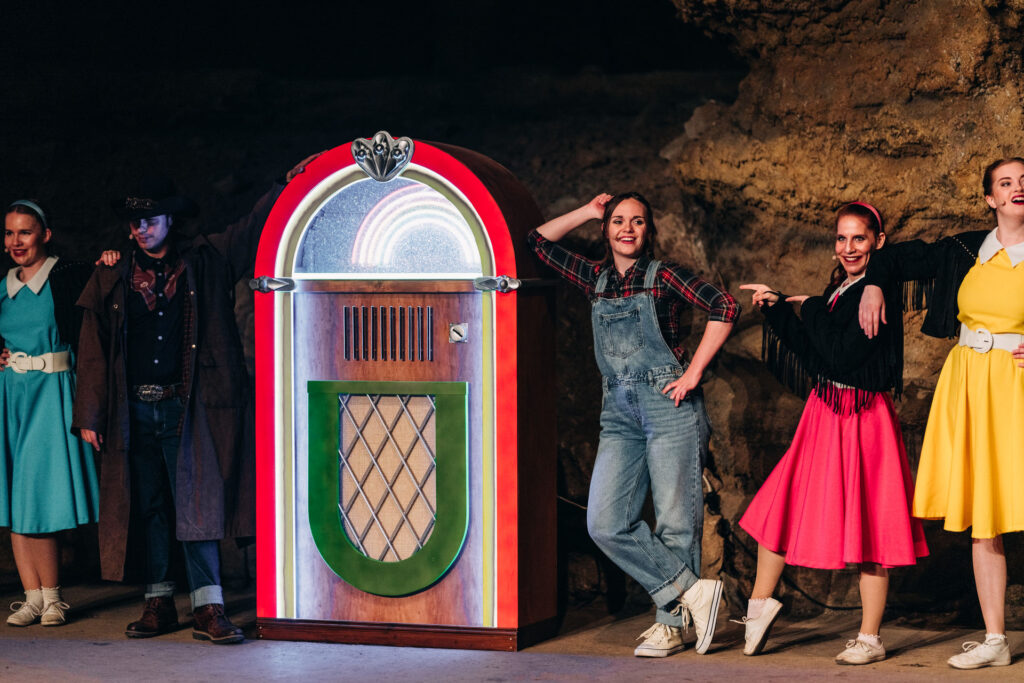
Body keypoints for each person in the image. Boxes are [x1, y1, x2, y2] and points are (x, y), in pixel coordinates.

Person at [72, 155, 316, 644]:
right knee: (150, 506)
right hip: (134, 410)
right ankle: (158, 603)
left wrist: (284, 184)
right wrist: (91, 414)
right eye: (135, 221)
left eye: (150, 219)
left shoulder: (204, 259)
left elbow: (251, 230)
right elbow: (94, 345)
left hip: (189, 406)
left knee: (197, 501)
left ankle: (209, 607)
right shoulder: (113, 274)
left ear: (170, 219)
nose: (141, 229)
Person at [528, 192, 738, 657]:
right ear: (606, 230)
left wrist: (693, 373)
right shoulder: (595, 278)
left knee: (675, 523)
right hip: (618, 412)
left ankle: (671, 626)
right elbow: (537, 242)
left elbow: (724, 306)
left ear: (649, 230)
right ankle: (694, 591)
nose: (627, 228)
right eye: (618, 221)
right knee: (605, 522)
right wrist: (588, 211)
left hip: (669, 404)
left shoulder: (663, 275)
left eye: (637, 221)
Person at [737, 202, 928, 665]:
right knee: (779, 502)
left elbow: (843, 356)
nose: (848, 247)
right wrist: (779, 308)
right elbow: (817, 356)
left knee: (872, 524)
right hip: (825, 412)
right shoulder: (840, 289)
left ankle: (869, 637)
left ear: (878, 242)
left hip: (864, 418)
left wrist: (808, 305)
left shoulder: (877, 293)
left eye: (858, 238)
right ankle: (759, 605)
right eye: (841, 238)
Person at [858, 158, 1024, 670]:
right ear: (990, 199)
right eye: (1006, 183)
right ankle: (995, 639)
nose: (1018, 188)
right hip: (971, 382)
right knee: (985, 518)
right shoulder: (967, 248)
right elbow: (892, 258)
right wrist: (873, 283)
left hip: (1017, 385)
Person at [1, 200, 116, 626]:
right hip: (12, 396)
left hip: (51, 394)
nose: (16, 241)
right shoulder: (3, 287)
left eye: (25, 232)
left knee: (36, 494)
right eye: (9, 233)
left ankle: (52, 598)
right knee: (17, 497)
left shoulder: (67, 276)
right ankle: (32, 598)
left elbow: (103, 312)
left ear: (45, 235)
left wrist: (109, 262)